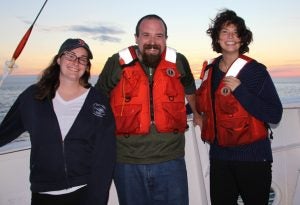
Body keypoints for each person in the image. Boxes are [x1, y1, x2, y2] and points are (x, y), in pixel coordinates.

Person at [95, 14, 202, 205]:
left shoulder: (179, 61)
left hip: (171, 159)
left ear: (166, 39)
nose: (152, 42)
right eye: (146, 35)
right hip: (127, 162)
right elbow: (98, 100)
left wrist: (197, 113)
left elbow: (189, 88)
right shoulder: (116, 62)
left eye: (159, 36)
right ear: (136, 37)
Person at [0, 38, 116, 205]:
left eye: (83, 58)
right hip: (43, 193)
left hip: (84, 191)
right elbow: (5, 131)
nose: (76, 62)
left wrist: (98, 198)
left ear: (87, 65)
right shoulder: (33, 97)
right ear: (58, 59)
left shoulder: (98, 102)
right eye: (70, 55)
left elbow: (105, 157)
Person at [195, 9, 283, 205]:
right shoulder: (209, 71)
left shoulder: (255, 71)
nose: (231, 37)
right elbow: (203, 102)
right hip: (219, 158)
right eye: (225, 32)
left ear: (242, 39)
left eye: (236, 33)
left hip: (252, 158)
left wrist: (240, 90)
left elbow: (274, 114)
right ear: (217, 38)